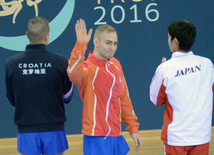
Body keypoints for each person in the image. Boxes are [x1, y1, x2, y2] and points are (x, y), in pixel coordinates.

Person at [67, 19, 142, 155]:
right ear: (96, 42)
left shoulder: (116, 65)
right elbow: (72, 73)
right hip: (96, 138)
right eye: (108, 43)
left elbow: (124, 99)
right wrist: (81, 44)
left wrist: (133, 128)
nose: (112, 47)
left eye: (115, 43)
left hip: (116, 136)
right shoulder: (87, 68)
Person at [5, 16, 73, 155]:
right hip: (54, 128)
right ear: (47, 36)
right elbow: (67, 96)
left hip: (26, 129)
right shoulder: (60, 62)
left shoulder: (11, 63)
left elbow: (12, 99)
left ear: (27, 35)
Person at [150, 20, 214, 155]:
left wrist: (160, 70)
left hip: (176, 139)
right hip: (201, 136)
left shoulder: (165, 69)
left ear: (175, 41)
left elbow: (156, 100)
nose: (167, 40)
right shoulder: (208, 65)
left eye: (168, 37)